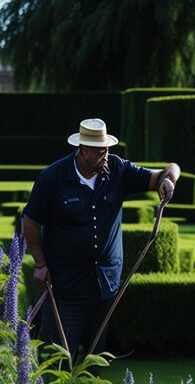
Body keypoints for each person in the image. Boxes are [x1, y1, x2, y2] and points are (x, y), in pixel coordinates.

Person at [22, 117, 180, 360]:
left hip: (105, 287)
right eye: (99, 150)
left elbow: (165, 171)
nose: (105, 154)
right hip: (66, 288)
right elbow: (30, 221)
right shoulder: (52, 178)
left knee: (96, 361)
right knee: (55, 361)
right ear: (82, 150)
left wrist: (169, 179)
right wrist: (40, 264)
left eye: (107, 148)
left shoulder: (118, 170)